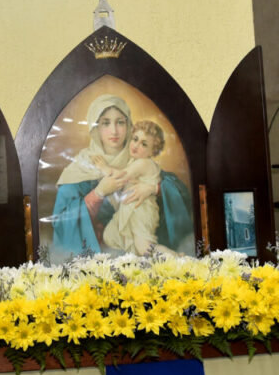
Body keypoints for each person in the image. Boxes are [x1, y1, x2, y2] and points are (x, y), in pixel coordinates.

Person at [50, 94, 194, 261]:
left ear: (128, 125)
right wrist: (98, 193)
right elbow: (61, 221)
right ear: (95, 128)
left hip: (142, 253)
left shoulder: (140, 158)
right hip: (98, 260)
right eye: (106, 123)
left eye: (120, 122)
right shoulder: (81, 167)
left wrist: (154, 189)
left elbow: (182, 195)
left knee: (144, 247)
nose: (114, 131)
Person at [92, 120, 176, 256]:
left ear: (153, 151)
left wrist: (104, 167)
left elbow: (121, 176)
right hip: (131, 209)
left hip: (141, 211)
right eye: (135, 139)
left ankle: (175, 259)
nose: (136, 145)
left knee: (144, 248)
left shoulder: (144, 163)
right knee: (110, 236)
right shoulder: (135, 161)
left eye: (144, 144)